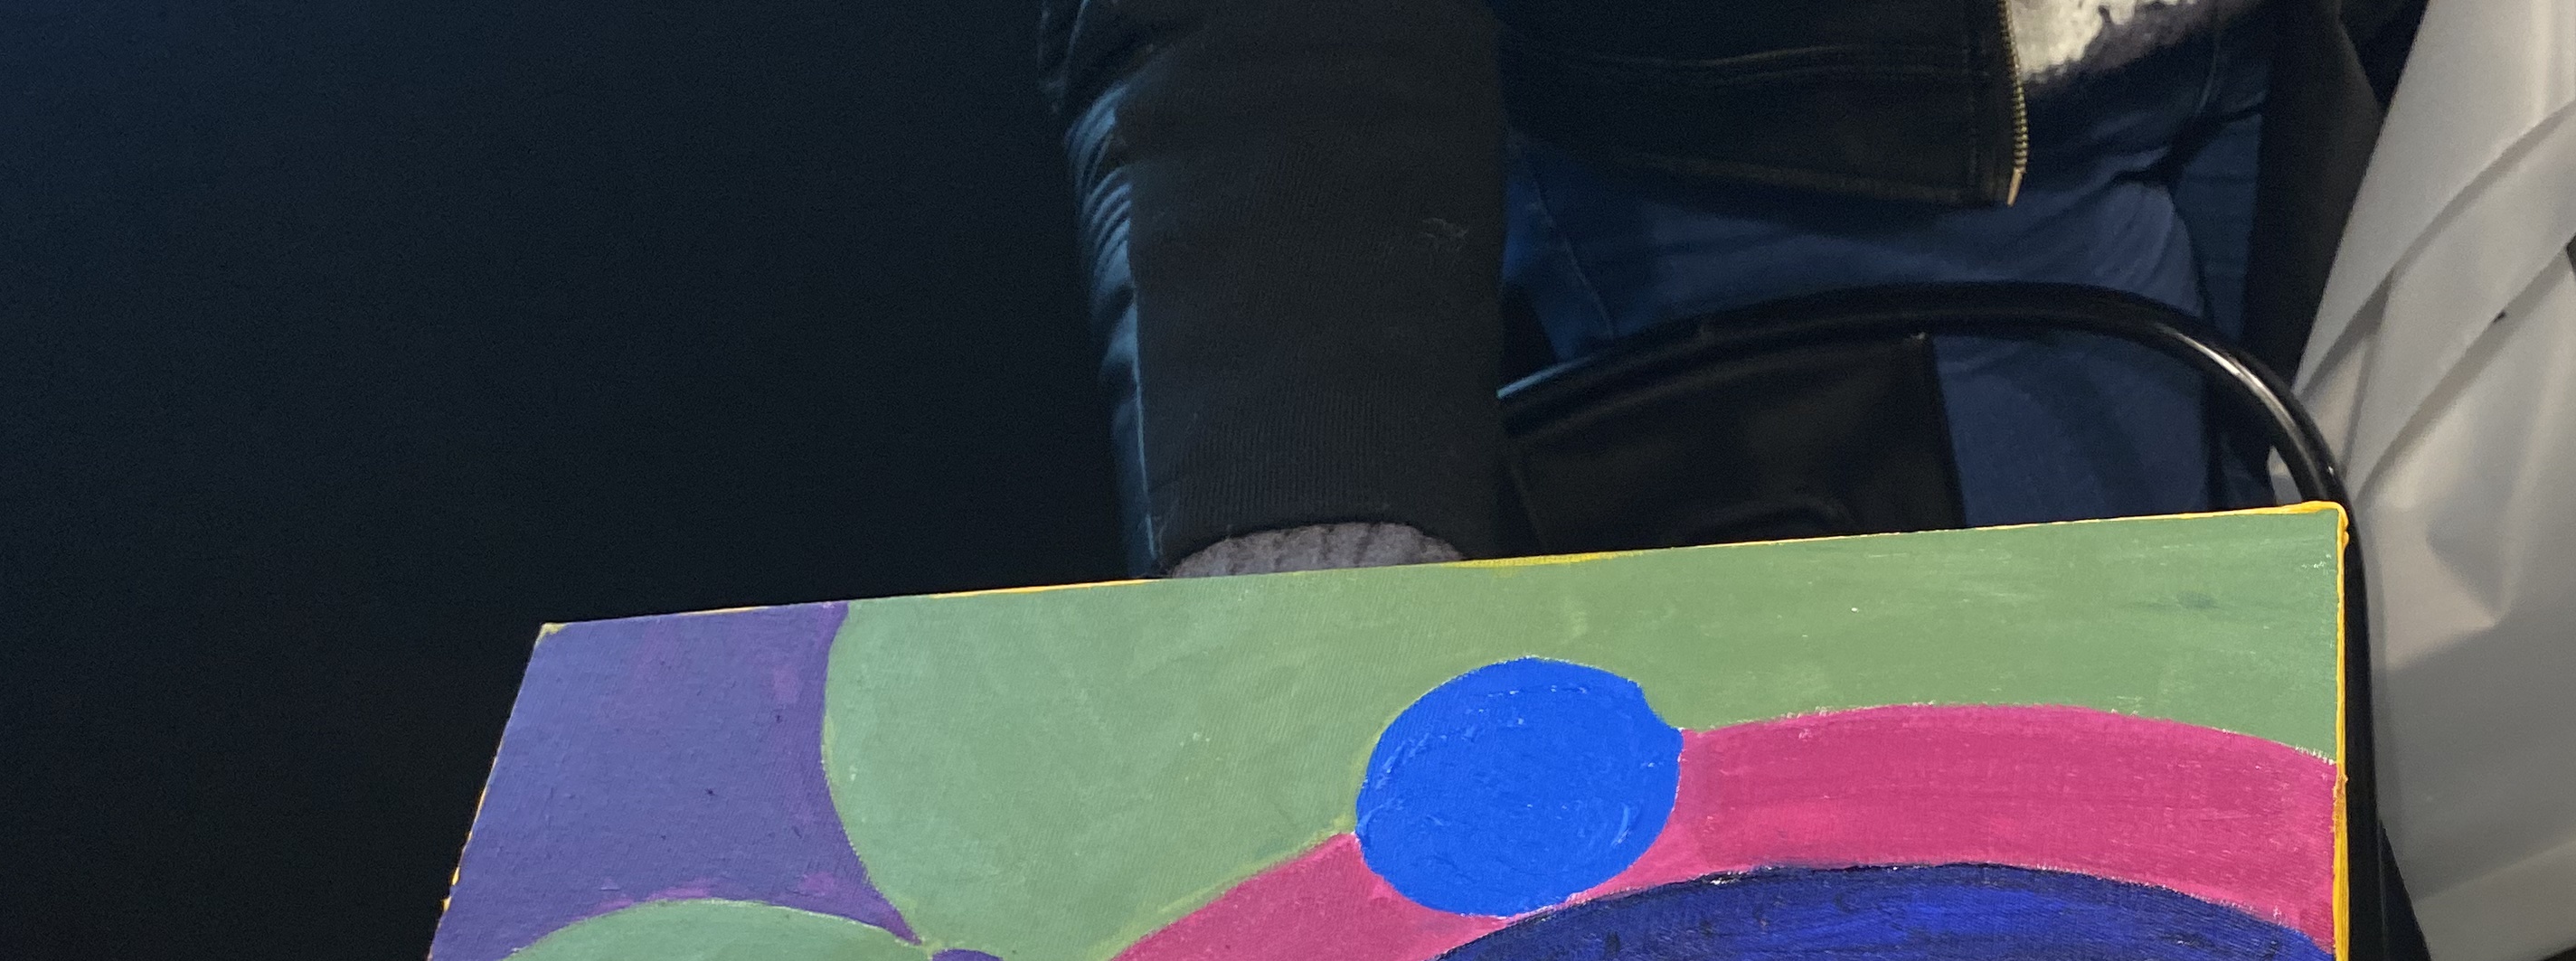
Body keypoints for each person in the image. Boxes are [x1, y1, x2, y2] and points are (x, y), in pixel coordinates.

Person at [1035, 0, 2417, 577]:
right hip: (1797, 150)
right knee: (2060, 859)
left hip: (2300, 61)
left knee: (2393, 785)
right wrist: (1301, 524)